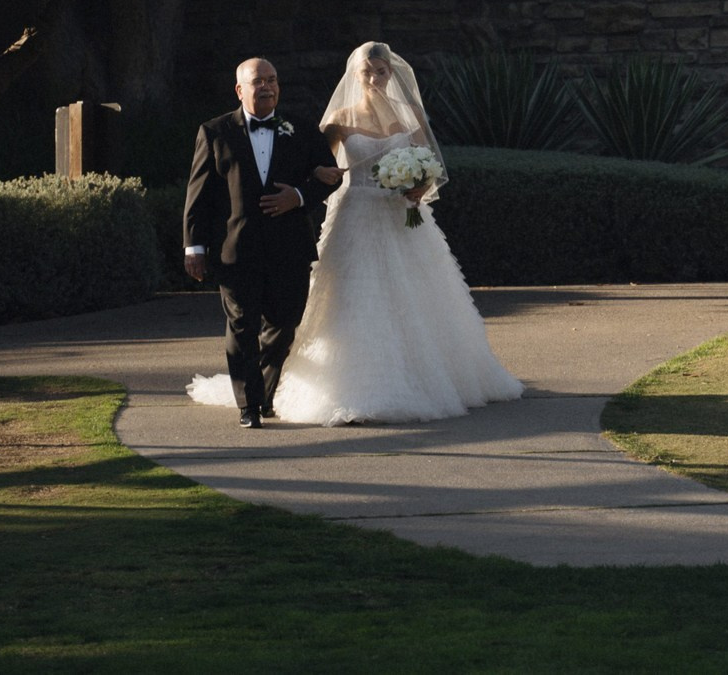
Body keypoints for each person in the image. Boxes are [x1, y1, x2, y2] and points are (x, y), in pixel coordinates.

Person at [188, 40, 521, 425]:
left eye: (381, 72)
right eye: (367, 72)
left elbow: (430, 167)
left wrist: (419, 186)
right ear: (356, 76)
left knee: (408, 301)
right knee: (349, 303)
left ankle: (425, 377)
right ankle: (265, 397)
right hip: (356, 216)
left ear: (391, 74)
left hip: (402, 219)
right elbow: (317, 167)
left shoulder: (410, 114)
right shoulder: (340, 119)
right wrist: (309, 185)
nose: (375, 78)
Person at [181, 57, 337, 429]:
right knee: (241, 325)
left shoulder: (300, 128)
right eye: (258, 81)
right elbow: (198, 194)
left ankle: (263, 394)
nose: (267, 87)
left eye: (273, 80)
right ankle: (249, 407)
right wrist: (194, 247)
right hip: (235, 250)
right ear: (240, 90)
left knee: (285, 323)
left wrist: (298, 196)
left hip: (289, 248)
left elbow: (330, 176)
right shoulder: (215, 131)